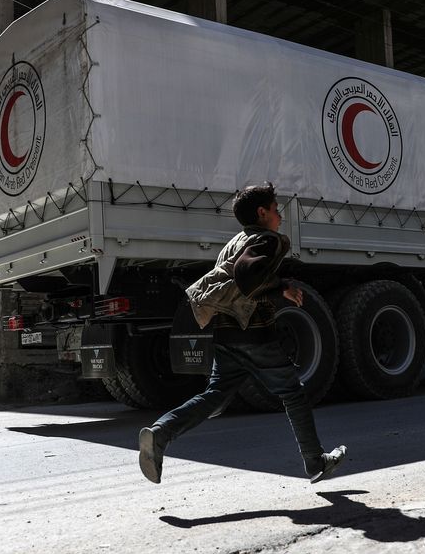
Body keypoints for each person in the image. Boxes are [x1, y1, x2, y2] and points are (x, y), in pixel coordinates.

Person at [138, 183, 346, 484]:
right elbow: (247, 276)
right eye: (275, 210)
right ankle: (315, 461)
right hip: (256, 335)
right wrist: (281, 287)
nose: (280, 216)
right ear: (262, 213)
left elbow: (238, 280)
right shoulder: (267, 239)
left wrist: (276, 286)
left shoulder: (234, 242)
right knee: (293, 393)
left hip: (226, 334)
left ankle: (160, 433)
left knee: (215, 396)